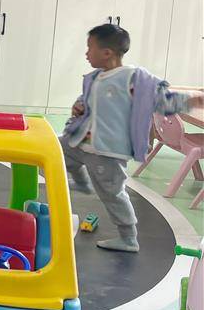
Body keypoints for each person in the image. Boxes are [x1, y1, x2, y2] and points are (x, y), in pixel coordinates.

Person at [61, 24, 204, 253]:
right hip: (81, 141)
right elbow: (89, 98)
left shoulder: (132, 79)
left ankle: (128, 238)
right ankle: (80, 178)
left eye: (90, 48)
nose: (86, 53)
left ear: (107, 52)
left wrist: (193, 99)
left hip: (107, 152)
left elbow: (163, 100)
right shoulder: (96, 76)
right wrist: (80, 105)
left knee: (112, 194)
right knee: (57, 148)